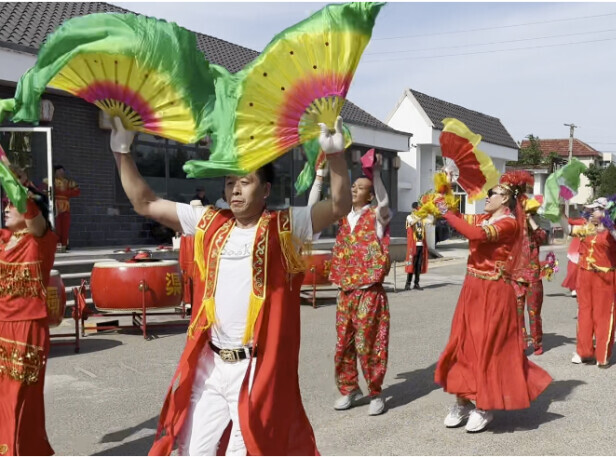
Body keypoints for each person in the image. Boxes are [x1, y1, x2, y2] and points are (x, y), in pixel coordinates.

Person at [110, 116, 351, 455]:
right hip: (211, 365)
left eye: (245, 181)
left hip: (254, 370)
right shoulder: (209, 222)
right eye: (229, 182)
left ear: (265, 190)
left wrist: (336, 155)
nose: (234, 189)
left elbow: (340, 205)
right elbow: (145, 202)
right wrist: (122, 151)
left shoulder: (285, 226)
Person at [434, 171, 552, 433]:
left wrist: (445, 211)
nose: (487, 198)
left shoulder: (509, 223)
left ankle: (485, 406)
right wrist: (446, 185)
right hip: (472, 288)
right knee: (463, 345)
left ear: (506, 198)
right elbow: (462, 219)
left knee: (488, 348)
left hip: (495, 290)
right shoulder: (486, 217)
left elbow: (475, 235)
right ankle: (462, 400)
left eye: (492, 194)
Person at [328, 154, 392, 416]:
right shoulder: (342, 217)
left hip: (369, 291)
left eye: (360, 188)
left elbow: (385, 201)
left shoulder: (377, 216)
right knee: (343, 344)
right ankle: (349, 389)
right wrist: (323, 174)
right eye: (353, 186)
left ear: (369, 196)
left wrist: (375, 174)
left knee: (369, 343)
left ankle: (375, 393)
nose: (354, 189)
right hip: (345, 290)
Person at [0, 186, 58, 456]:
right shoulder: (3, 240)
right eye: (5, 203)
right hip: (2, 327)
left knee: (20, 399)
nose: (6, 208)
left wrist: (17, 185)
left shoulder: (41, 240)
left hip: (27, 329)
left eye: (12, 203)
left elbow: (35, 219)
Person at [561, 197, 616, 367]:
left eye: (594, 210)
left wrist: (607, 222)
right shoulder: (587, 228)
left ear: (605, 211)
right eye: (590, 211)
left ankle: (602, 355)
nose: (590, 213)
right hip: (584, 275)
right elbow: (568, 229)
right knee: (584, 313)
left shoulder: (613, 230)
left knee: (603, 314)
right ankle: (583, 351)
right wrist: (558, 213)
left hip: (604, 278)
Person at [511, 197, 548, 354]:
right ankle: (521, 344)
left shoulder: (535, 231)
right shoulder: (513, 229)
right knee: (517, 315)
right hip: (516, 278)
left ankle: (537, 343)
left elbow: (543, 237)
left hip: (533, 277)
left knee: (534, 313)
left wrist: (530, 220)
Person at [405, 202, 431, 291]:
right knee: (411, 264)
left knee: (418, 265)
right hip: (413, 246)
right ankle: (407, 284)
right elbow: (411, 223)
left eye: (418, 208)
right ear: (413, 209)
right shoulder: (409, 217)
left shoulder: (422, 219)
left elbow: (430, 221)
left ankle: (416, 283)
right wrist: (419, 217)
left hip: (421, 245)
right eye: (416, 208)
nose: (418, 210)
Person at [52, 165, 80, 251]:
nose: (61, 173)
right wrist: (63, 193)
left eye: (62, 171)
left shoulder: (68, 182)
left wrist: (64, 193)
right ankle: (56, 245)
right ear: (55, 172)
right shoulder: (50, 181)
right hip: (55, 206)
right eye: (59, 171)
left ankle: (64, 245)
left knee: (65, 227)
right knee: (57, 227)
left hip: (65, 207)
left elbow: (77, 191)